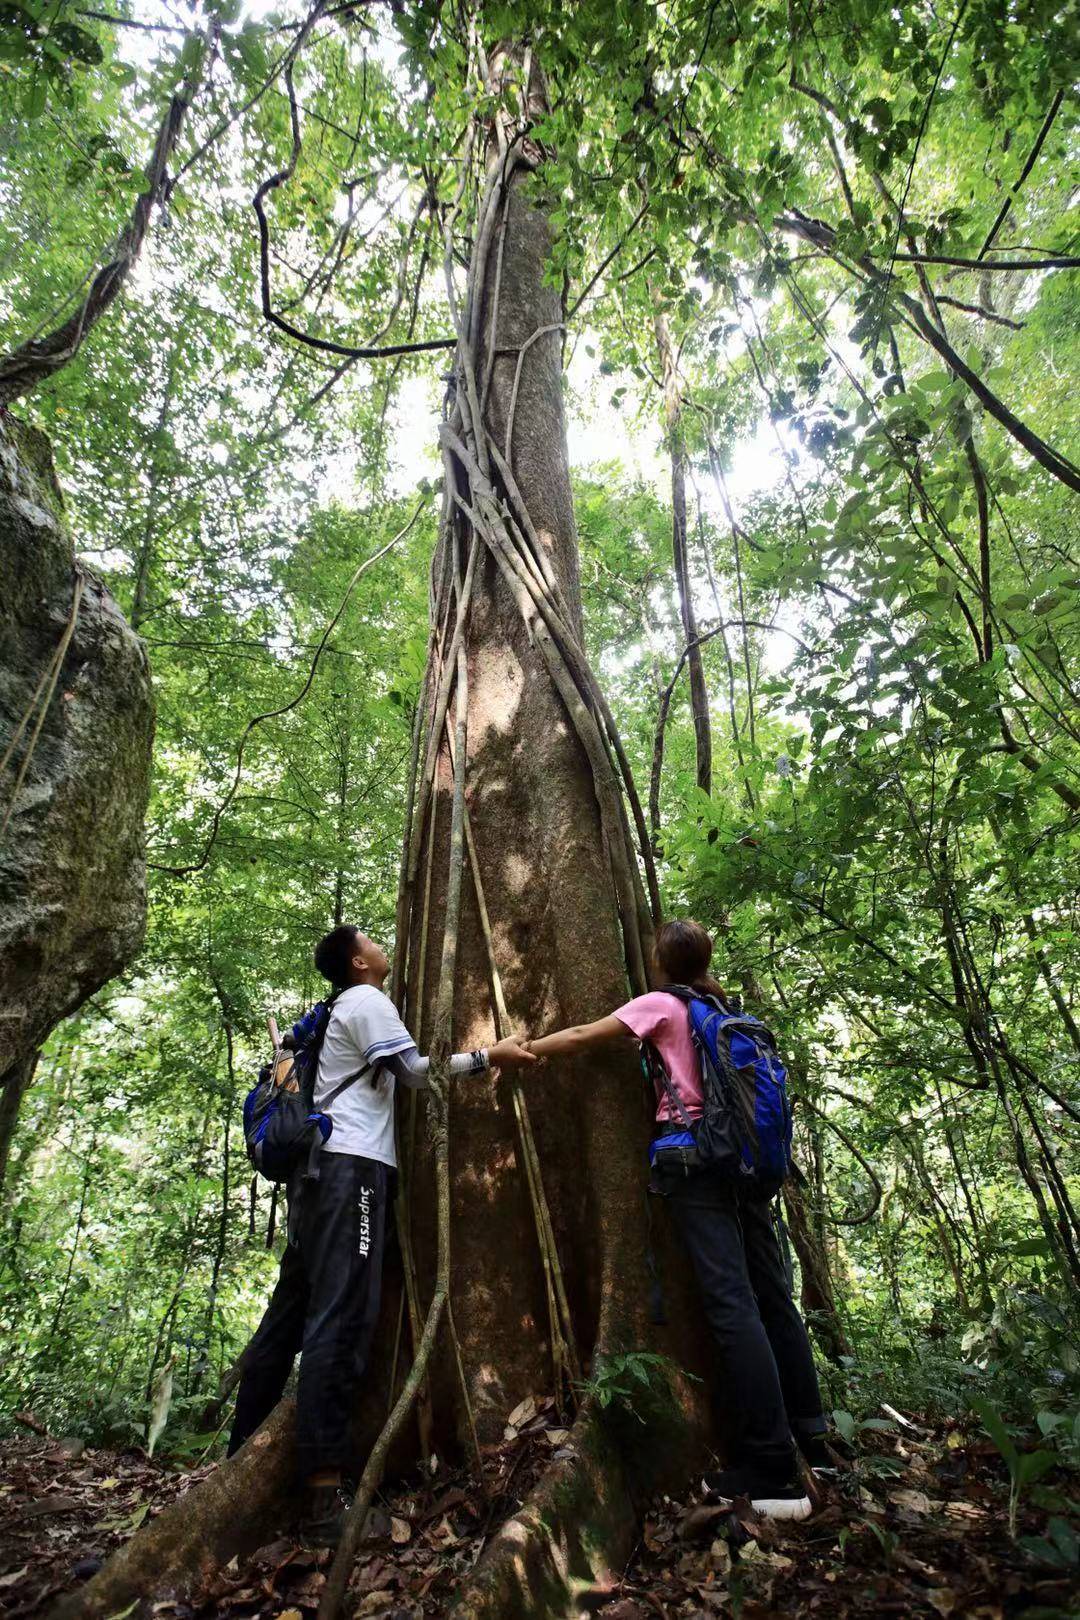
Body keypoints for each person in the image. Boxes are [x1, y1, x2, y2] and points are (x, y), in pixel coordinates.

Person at [228, 924, 534, 1545]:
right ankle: (321, 1503)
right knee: (340, 1324)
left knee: (287, 1322)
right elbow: (416, 1074)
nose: (381, 944)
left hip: (316, 1181)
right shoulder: (367, 1001)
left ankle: (238, 1471)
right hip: (352, 1175)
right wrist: (488, 1058)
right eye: (369, 940)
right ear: (359, 961)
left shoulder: (328, 1015)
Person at [521, 918, 828, 1521]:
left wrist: (525, 1050)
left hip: (697, 1163)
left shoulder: (661, 1003)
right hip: (747, 1166)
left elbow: (587, 1033)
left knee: (732, 1306)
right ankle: (814, 1441)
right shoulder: (721, 1006)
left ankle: (773, 1470)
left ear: (659, 962)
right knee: (773, 1300)